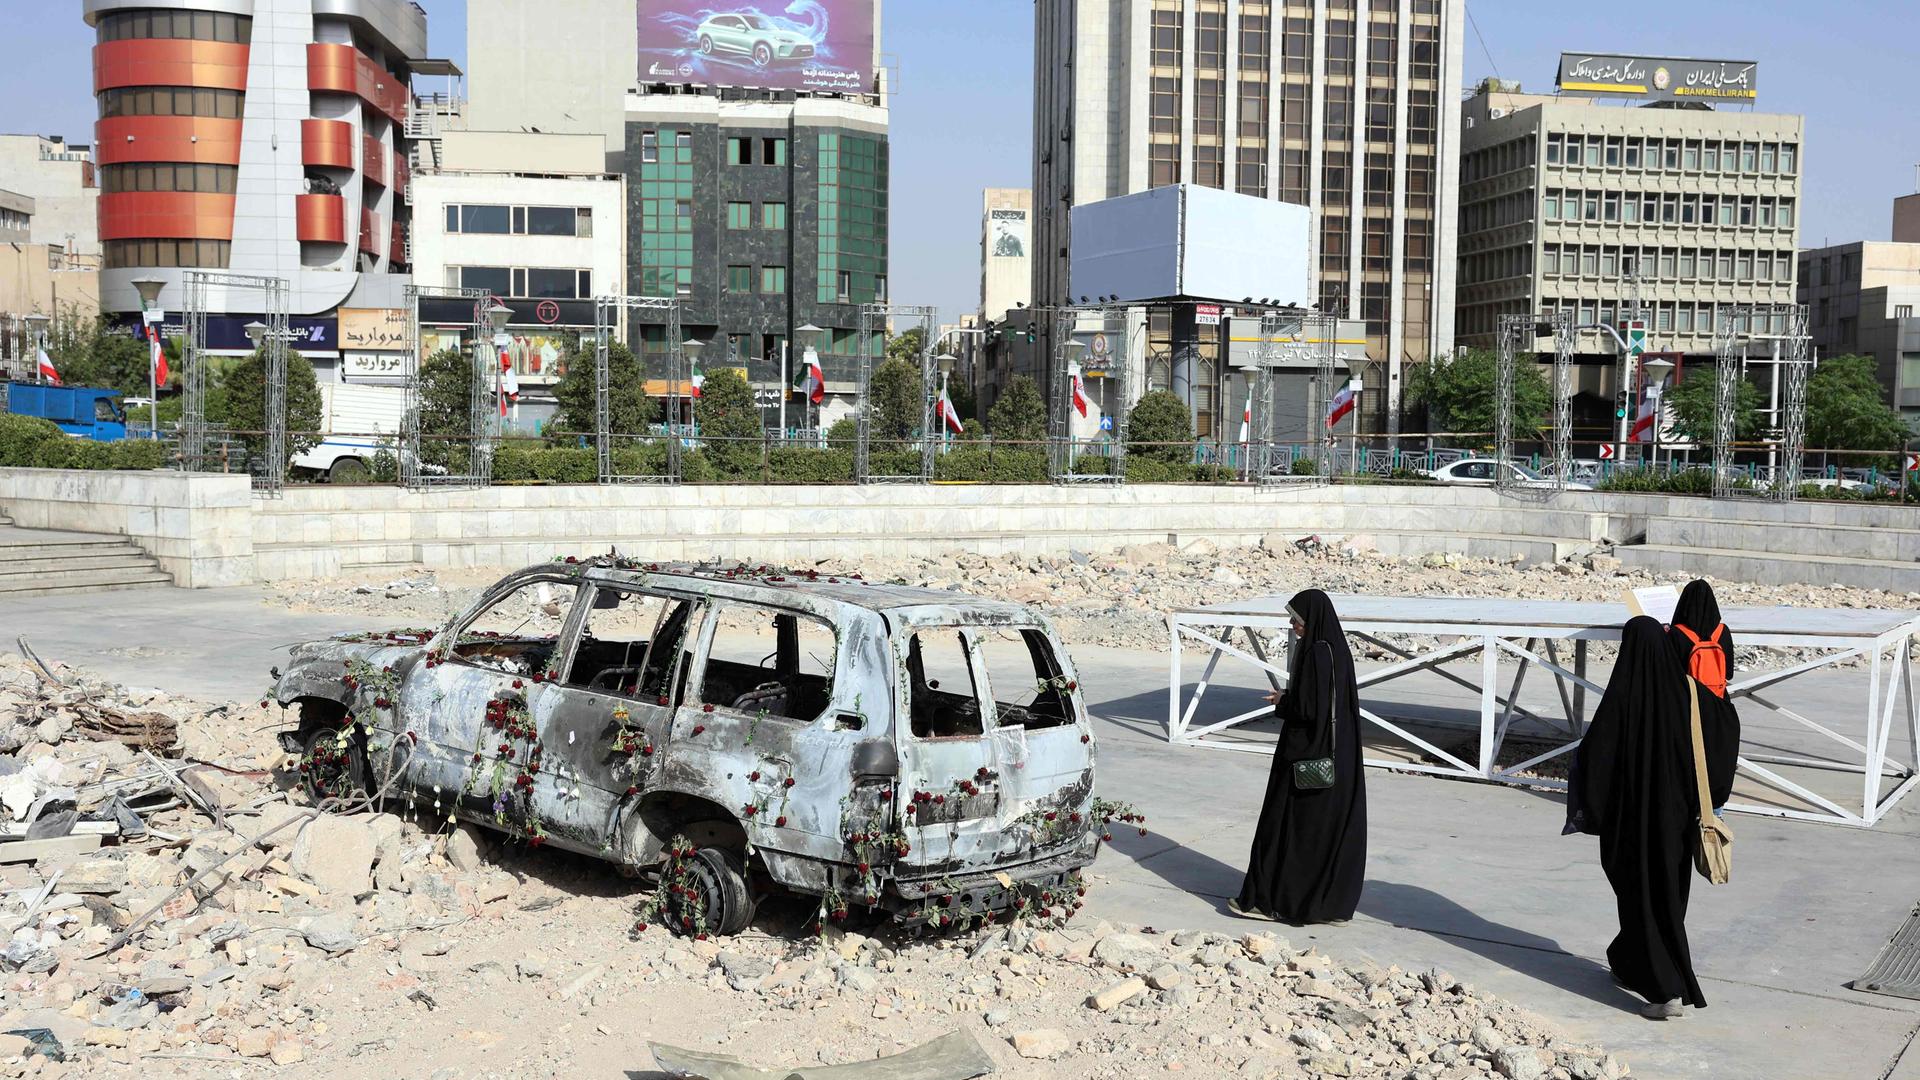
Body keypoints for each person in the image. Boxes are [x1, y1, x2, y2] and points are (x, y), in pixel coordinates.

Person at [1574, 616, 1737, 1020]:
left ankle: (1665, 991)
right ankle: (1628, 962)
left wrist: (1590, 812)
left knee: (1639, 900)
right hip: (1676, 826)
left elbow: (1594, 761)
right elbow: (1726, 728)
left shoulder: (1621, 701)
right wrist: (1712, 800)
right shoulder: (1690, 694)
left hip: (1630, 827)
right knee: (1667, 900)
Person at [1230, 589, 1367, 925]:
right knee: (1324, 835)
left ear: (1313, 619)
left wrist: (1283, 701)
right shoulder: (1337, 650)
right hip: (1338, 759)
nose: (1293, 626)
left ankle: (1269, 903)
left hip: (1306, 758)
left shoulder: (1316, 652)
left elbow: (1308, 709)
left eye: (1297, 619)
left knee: (1286, 829)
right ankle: (1328, 907)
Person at [1668, 580, 1742, 809]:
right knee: (1717, 761)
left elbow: (1671, 675)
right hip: (1719, 705)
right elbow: (1728, 672)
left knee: (1688, 761)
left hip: (1688, 706)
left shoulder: (1677, 634)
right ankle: (1715, 813)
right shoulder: (1722, 631)